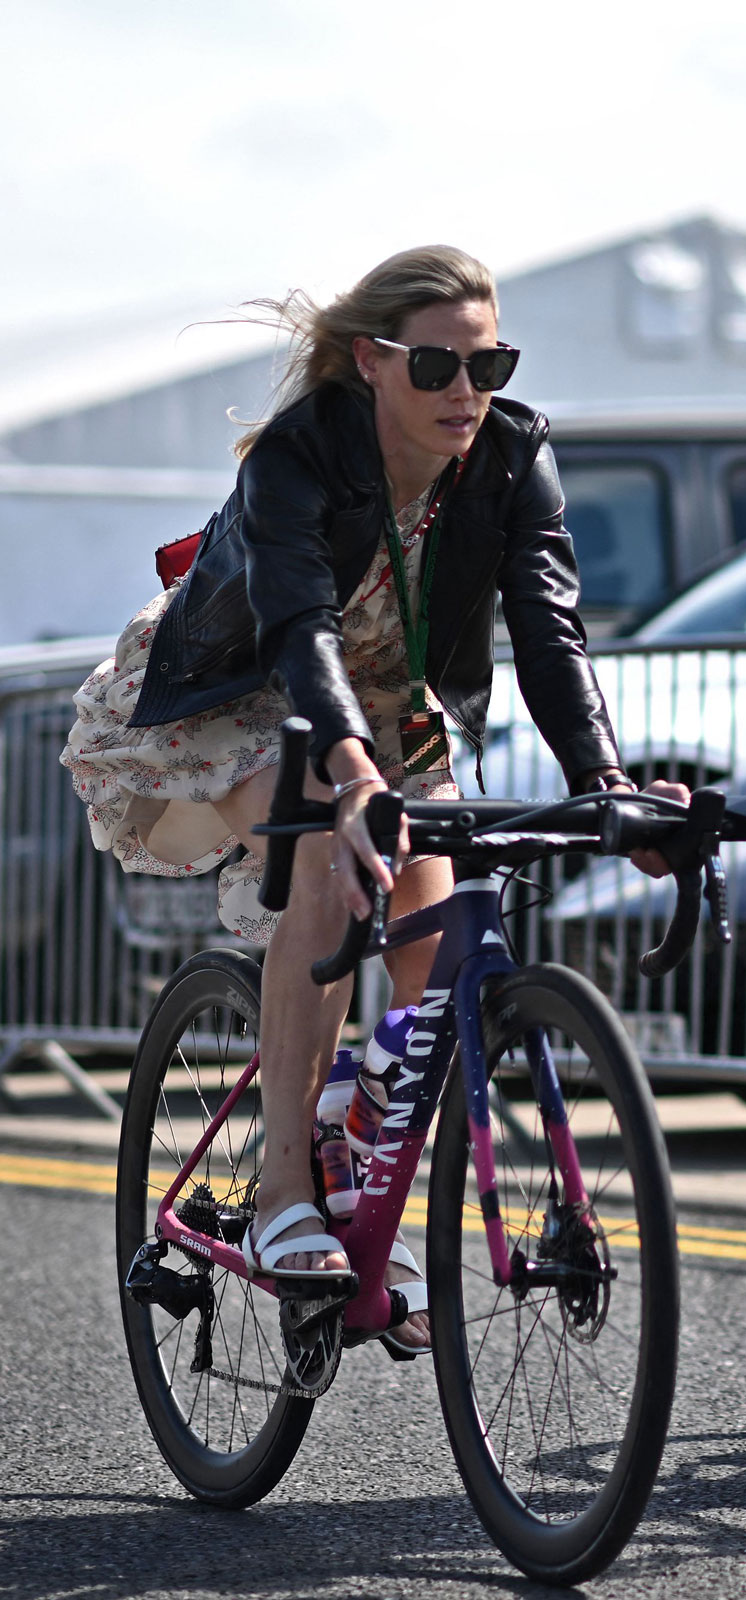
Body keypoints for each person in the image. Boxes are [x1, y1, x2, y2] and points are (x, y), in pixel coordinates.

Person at [63, 245, 678, 1353]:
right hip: (242, 690)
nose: (464, 392)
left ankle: (368, 1168)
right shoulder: (304, 452)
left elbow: (548, 626)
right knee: (332, 863)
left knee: (431, 957)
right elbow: (296, 621)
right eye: (437, 365)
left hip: (387, 708)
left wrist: (609, 786)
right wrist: (348, 775)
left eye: (487, 365)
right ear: (371, 361)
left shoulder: (512, 451)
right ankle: (287, 1182)